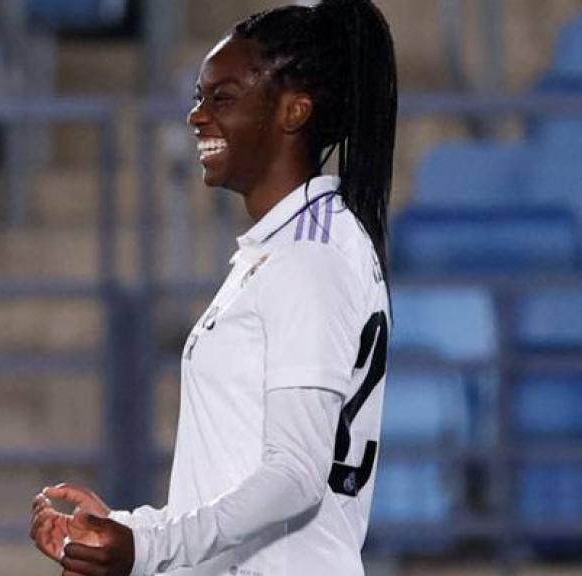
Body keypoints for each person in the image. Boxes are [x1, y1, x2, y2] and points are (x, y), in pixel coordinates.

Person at [30, 0, 396, 574]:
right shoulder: (292, 245)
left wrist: (152, 548)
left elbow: (295, 476)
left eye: (221, 98)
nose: (197, 117)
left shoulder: (307, 256)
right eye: (200, 97)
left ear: (294, 112)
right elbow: (238, 468)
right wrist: (135, 532)